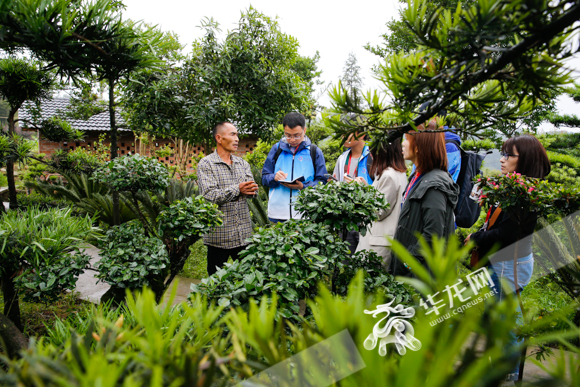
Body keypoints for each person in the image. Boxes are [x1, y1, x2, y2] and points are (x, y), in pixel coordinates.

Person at [465, 134, 550, 382]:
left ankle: (509, 373)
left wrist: (477, 239)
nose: (502, 160)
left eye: (508, 155)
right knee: (502, 316)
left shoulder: (524, 193)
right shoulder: (517, 187)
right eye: (502, 154)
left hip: (508, 264)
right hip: (507, 262)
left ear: (524, 159)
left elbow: (508, 234)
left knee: (507, 320)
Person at [390, 120, 459, 276]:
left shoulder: (434, 185)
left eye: (407, 139)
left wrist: (407, 264)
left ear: (420, 145)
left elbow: (433, 236)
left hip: (424, 279)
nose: (402, 144)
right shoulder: (418, 176)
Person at [197, 122, 259, 275]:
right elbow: (210, 195)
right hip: (219, 237)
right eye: (232, 134)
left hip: (243, 236)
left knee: (248, 282)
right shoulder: (206, 164)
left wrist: (251, 191)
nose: (237, 138)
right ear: (219, 138)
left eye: (237, 135)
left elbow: (251, 191)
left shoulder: (242, 164)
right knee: (216, 285)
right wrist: (238, 189)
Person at [262, 112, 328, 222]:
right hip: (278, 214)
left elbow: (322, 182)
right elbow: (264, 178)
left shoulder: (314, 151)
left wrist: (303, 186)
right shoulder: (276, 150)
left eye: (297, 135)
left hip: (306, 214)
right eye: (288, 135)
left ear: (304, 130)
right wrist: (274, 177)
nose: (292, 139)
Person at [355, 140, 407, 268]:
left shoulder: (388, 175)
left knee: (367, 283)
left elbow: (378, 211)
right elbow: (383, 199)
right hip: (382, 240)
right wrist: (367, 188)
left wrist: (361, 192)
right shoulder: (398, 172)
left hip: (377, 243)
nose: (371, 156)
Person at [332, 131, 373, 253]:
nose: (342, 136)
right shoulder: (342, 158)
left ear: (361, 134)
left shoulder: (372, 156)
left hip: (367, 221)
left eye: (347, 132)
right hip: (346, 221)